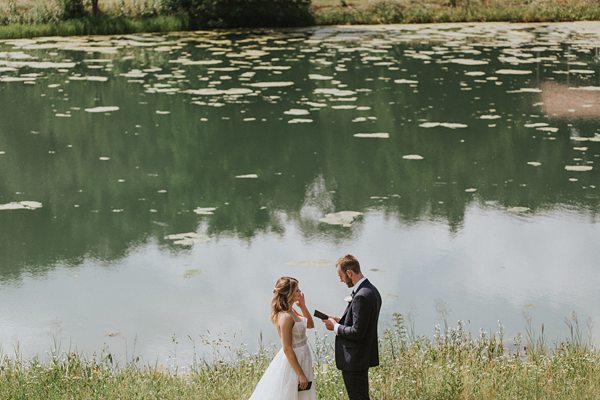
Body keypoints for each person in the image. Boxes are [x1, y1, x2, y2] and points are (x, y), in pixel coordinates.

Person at [323, 255, 382, 400]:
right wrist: (341, 320)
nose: (341, 280)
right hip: (362, 356)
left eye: (341, 275)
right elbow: (362, 323)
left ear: (349, 273)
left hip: (355, 359)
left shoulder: (361, 296)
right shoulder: (371, 289)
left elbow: (357, 332)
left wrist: (336, 327)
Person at [249, 276, 316, 400]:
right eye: (297, 290)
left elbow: (310, 325)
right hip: (293, 362)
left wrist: (302, 306)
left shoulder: (292, 311)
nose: (300, 293)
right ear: (289, 293)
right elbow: (287, 348)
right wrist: (300, 374)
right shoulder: (285, 317)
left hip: (303, 357)